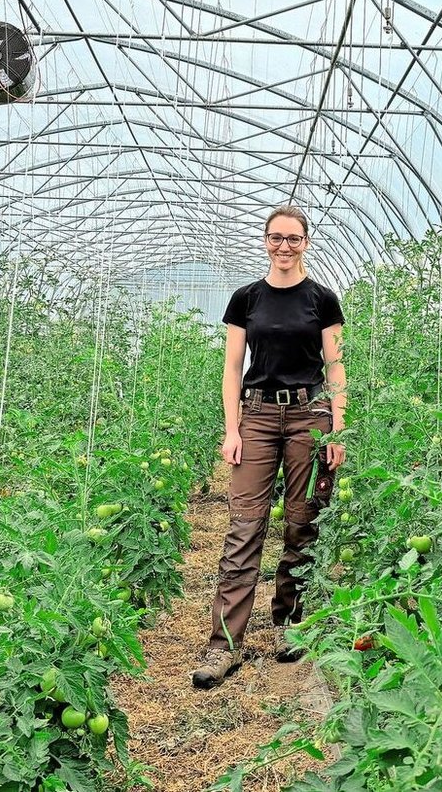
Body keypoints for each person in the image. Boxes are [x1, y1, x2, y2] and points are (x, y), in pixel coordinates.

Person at [192, 205, 347, 690]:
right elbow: (232, 369)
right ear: (265, 241)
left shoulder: (322, 300)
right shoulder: (246, 299)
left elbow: (335, 368)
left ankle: (289, 623)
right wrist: (232, 429)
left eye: (293, 239)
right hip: (256, 415)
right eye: (276, 238)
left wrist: (336, 430)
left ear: (306, 243)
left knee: (303, 520)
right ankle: (223, 647)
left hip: (309, 415)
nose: (284, 246)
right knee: (245, 525)